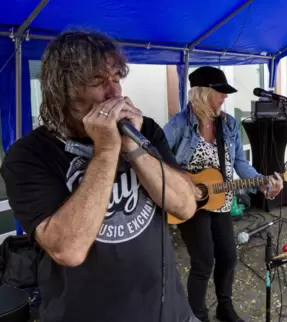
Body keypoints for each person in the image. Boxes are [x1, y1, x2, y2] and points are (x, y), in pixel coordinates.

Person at [0, 31, 200, 322]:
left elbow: (185, 205)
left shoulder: (144, 130)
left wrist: (132, 144)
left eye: (116, 78)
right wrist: (106, 149)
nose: (115, 93)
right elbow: (69, 250)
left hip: (169, 313)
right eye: (97, 81)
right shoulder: (29, 155)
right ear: (63, 89)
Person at [163, 66, 284, 322]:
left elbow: (239, 162)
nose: (225, 97)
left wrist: (260, 182)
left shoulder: (228, 124)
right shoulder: (178, 125)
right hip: (190, 204)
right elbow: (158, 161)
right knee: (203, 261)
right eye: (221, 92)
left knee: (228, 257)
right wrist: (184, 183)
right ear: (203, 93)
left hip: (221, 199)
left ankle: (224, 307)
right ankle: (197, 315)